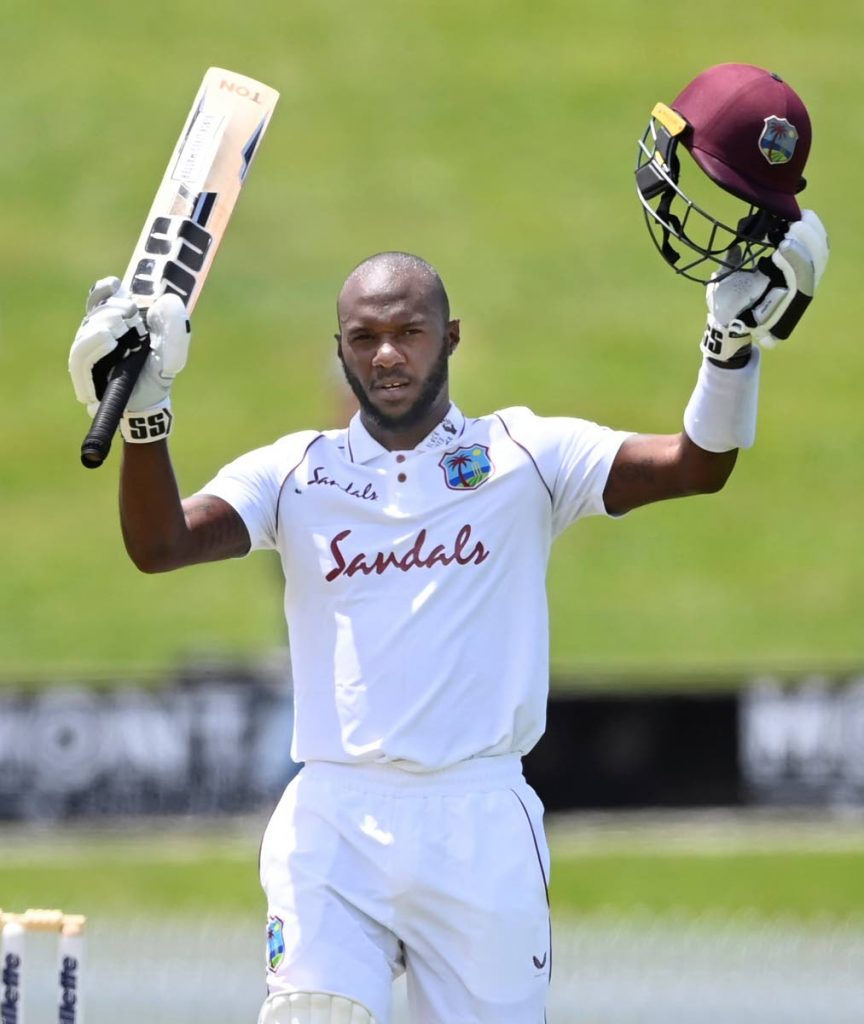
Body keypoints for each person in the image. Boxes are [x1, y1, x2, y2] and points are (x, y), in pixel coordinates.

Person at [68, 64, 828, 1024]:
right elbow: (159, 546)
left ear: (452, 337)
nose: (388, 354)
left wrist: (730, 351)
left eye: (410, 332)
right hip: (335, 815)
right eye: (366, 337)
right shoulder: (295, 473)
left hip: (480, 820)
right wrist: (147, 416)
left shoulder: (526, 455)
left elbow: (694, 466)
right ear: (341, 349)